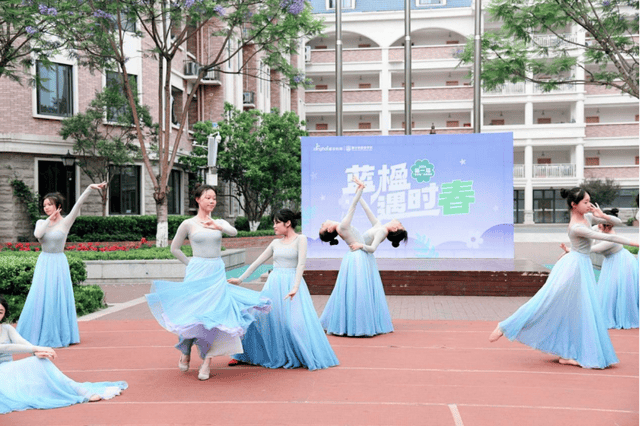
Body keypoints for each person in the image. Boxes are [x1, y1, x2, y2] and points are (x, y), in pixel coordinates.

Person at [489, 188, 639, 368]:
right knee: (548, 300)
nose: (589, 205)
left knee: (575, 309)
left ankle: (567, 353)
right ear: (574, 205)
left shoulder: (588, 218)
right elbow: (603, 236)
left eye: (589, 201)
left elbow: (617, 222)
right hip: (573, 267)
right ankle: (506, 325)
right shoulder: (576, 227)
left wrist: (602, 215)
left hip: (582, 265)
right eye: (585, 202)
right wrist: (634, 242)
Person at [145, 185, 271, 380]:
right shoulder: (188, 223)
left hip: (216, 272)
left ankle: (207, 361)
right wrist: (191, 264)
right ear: (197, 199)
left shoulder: (219, 221)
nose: (211, 201)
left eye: (214, 198)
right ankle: (185, 350)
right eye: (207, 198)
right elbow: (175, 248)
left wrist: (219, 226)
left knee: (216, 316)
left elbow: (234, 232)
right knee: (192, 314)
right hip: (197, 272)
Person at [227, 209, 339, 370]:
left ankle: (301, 355)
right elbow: (257, 262)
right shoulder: (275, 243)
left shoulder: (301, 239)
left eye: (276, 222)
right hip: (274, 283)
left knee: (294, 323)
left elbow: (301, 264)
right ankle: (244, 355)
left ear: (287, 223)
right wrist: (240, 279)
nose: (274, 226)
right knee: (258, 318)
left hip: (292, 285)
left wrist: (295, 287)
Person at [0, 295, 127, 414]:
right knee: (35, 362)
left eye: (0, 312)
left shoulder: (7, 328)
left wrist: (37, 351)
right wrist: (36, 348)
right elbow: (5, 348)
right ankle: (78, 389)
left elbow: (22, 343)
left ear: (4, 313)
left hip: (8, 369)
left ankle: (75, 388)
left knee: (40, 360)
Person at [17, 182, 106, 348]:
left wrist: (89, 188)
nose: (46, 208)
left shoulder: (65, 223)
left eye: (49, 205)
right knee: (40, 297)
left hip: (59, 262)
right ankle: (37, 333)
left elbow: (78, 205)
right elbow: (38, 234)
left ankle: (61, 334)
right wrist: (49, 219)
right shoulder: (40, 222)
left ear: (58, 206)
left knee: (57, 298)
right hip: (44, 262)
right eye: (44, 205)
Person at [318, 177, 406, 336]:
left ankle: (356, 324)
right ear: (329, 230)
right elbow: (359, 208)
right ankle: (356, 324)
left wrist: (360, 190)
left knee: (356, 292)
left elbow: (372, 248)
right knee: (356, 292)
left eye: (399, 226)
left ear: (393, 230)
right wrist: (360, 190)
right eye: (323, 226)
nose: (398, 223)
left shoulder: (381, 230)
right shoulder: (346, 226)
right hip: (357, 257)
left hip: (359, 256)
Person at [568, 209, 639, 329]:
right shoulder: (598, 228)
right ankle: (608, 315)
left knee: (617, 290)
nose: (598, 225)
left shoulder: (611, 237)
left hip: (622, 262)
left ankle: (619, 317)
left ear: (606, 225)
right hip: (610, 261)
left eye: (601, 223)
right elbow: (587, 233)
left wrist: (570, 250)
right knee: (608, 290)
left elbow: (593, 249)